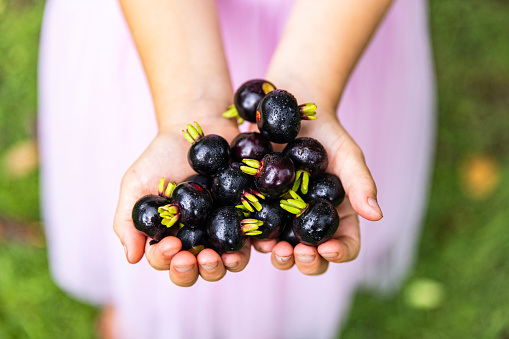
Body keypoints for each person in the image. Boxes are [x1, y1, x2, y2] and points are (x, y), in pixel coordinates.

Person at [38, 0, 435, 338]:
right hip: (167, 33)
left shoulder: (275, 171)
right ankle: (138, 313)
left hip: (333, 29)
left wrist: (310, 83)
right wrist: (186, 103)